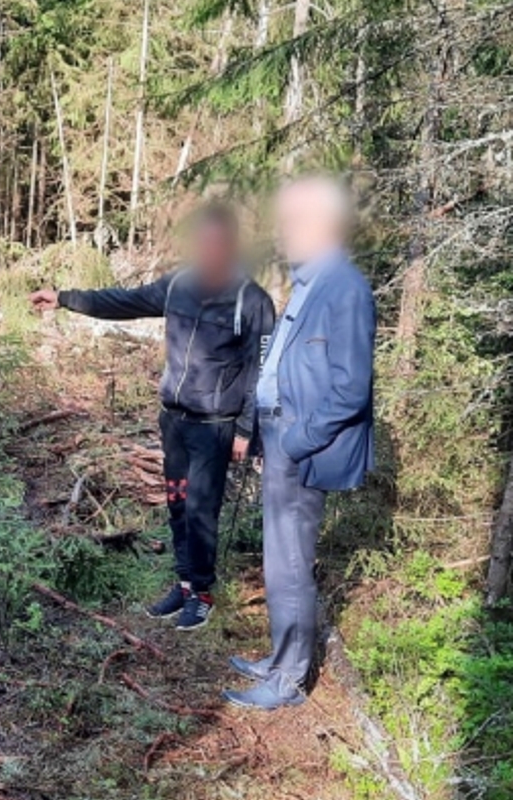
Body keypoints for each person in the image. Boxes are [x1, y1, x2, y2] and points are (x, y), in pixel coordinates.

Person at [30, 204, 276, 631]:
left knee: (201, 510)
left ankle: (202, 593)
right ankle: (183, 583)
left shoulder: (251, 300)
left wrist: (244, 430)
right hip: (174, 422)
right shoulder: (179, 284)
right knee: (179, 504)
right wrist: (65, 299)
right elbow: (124, 301)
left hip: (215, 426)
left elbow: (263, 368)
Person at [223, 176, 376, 711]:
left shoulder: (346, 288)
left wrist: (297, 438)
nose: (284, 234)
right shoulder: (311, 282)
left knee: (290, 563)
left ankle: (288, 683)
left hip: (301, 446)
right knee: (277, 559)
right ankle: (280, 658)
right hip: (280, 437)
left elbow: (351, 388)